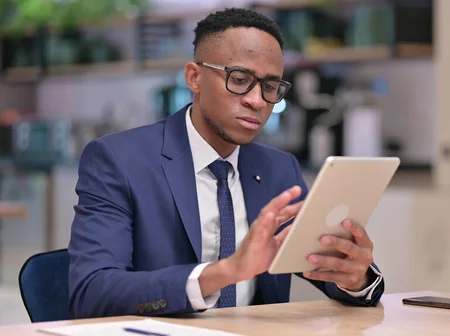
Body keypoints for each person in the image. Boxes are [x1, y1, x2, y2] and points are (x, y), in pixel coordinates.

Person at [68, 7, 384, 319]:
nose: (257, 101)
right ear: (194, 77)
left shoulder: (278, 168)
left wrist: (355, 278)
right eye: (240, 79)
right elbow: (92, 293)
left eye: (270, 86)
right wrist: (225, 272)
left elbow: (321, 264)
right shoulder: (118, 160)